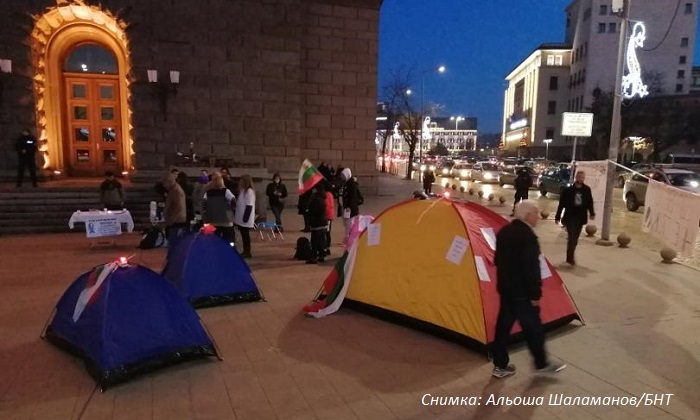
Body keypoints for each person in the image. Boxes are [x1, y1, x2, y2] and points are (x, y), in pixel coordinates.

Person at [492, 200, 567, 378]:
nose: (538, 217)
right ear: (528, 215)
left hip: (506, 289)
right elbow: (531, 268)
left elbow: (497, 260)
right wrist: (535, 293)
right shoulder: (528, 237)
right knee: (533, 328)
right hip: (523, 293)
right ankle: (541, 364)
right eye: (536, 213)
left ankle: (500, 365)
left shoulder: (504, 231)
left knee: (503, 328)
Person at [555, 170, 595, 265]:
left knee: (575, 238)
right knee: (572, 237)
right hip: (570, 217)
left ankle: (570, 254)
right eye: (579, 177)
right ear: (576, 178)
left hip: (580, 217)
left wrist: (592, 213)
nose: (581, 179)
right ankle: (570, 258)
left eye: (582, 177)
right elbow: (561, 204)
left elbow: (590, 202)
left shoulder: (586, 190)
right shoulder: (568, 190)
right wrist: (557, 216)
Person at [203, 172, 236, 245]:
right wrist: (232, 208)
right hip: (226, 220)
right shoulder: (226, 191)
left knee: (215, 242)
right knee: (229, 241)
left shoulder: (208, 193)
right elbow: (233, 200)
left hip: (213, 220)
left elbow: (204, 206)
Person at [162, 173, 188, 248]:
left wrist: (171, 221)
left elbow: (179, 208)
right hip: (175, 221)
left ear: (169, 181)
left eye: (165, 183)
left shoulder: (176, 191)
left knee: (174, 245)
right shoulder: (173, 190)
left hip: (176, 222)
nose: (164, 186)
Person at [305, 182, 328, 264]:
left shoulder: (316, 199)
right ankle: (322, 255)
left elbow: (313, 210)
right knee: (321, 240)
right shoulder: (323, 197)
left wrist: (308, 212)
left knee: (314, 240)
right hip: (323, 221)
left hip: (317, 221)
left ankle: (313, 257)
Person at [235, 174, 256, 258]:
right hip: (241, 215)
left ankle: (247, 251)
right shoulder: (242, 191)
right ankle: (245, 250)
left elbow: (249, 205)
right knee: (243, 235)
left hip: (245, 216)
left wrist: (245, 217)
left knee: (245, 235)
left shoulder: (249, 191)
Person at [340, 167, 363, 243]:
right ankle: (348, 237)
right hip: (347, 208)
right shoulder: (346, 183)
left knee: (350, 224)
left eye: (343, 175)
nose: (342, 177)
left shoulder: (352, 185)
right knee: (347, 224)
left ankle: (350, 239)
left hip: (350, 209)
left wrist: (348, 207)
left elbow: (353, 198)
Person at [324, 179, 336, 257]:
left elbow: (327, 206)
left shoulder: (326, 195)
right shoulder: (330, 194)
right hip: (330, 216)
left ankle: (327, 246)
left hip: (327, 216)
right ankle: (327, 246)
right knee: (328, 232)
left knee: (327, 232)